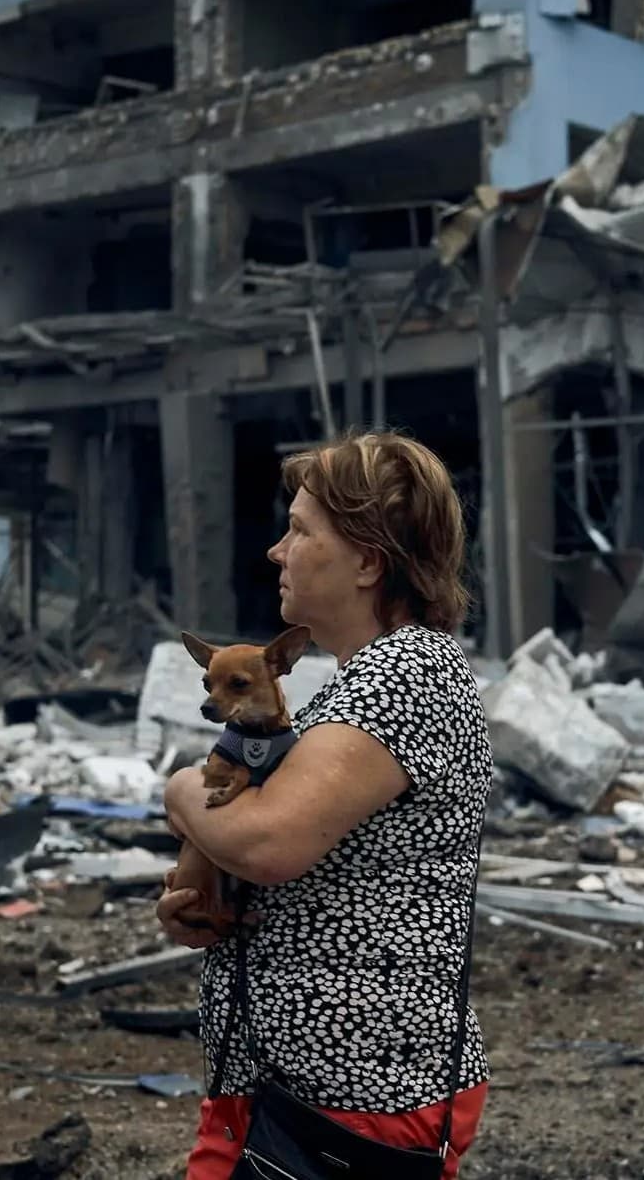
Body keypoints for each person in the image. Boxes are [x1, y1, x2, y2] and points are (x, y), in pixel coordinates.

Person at [156, 430, 493, 1178]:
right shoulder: (357, 684)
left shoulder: (408, 673)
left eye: (300, 530)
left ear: (368, 562)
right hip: (298, 1089)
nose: (278, 550)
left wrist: (180, 792)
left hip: (356, 1089)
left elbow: (273, 843)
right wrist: (205, 899)